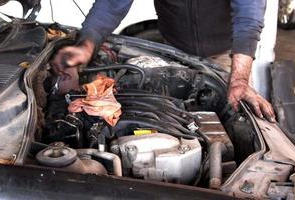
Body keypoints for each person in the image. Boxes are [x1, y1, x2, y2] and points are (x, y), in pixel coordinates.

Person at [51, 0, 276, 122]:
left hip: (226, 56)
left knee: (235, 116)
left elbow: (248, 18)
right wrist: (86, 46)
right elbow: (111, 5)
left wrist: (239, 79)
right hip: (172, 49)